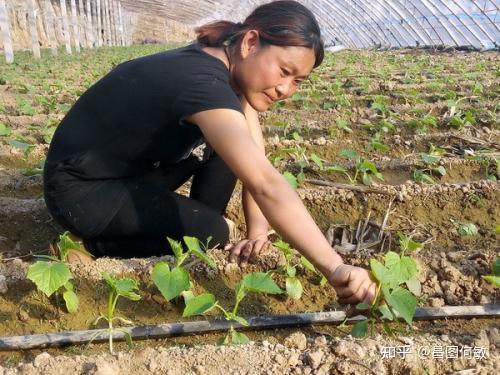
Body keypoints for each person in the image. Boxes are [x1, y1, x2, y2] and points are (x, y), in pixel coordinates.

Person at [43, 0, 377, 305]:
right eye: (284, 71)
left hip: (128, 173)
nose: (285, 89)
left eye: (298, 81)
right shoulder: (202, 84)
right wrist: (334, 267)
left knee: (227, 152)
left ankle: (194, 227)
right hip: (82, 192)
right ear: (250, 43)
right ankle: (91, 246)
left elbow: (254, 160)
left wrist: (257, 233)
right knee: (215, 233)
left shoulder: (223, 64)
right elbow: (266, 184)